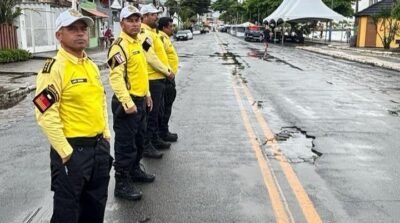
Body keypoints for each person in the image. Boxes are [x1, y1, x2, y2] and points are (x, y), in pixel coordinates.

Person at [33, 9, 112, 223]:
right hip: (72, 152)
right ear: (59, 35)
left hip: (98, 150)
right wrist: (66, 152)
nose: (80, 33)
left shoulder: (91, 65)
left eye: (83, 28)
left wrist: (105, 134)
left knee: (95, 208)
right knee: (67, 214)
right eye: (72, 29)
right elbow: (45, 113)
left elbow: (101, 101)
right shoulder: (53, 69)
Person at [107, 5, 155, 201]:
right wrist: (127, 101)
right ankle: (122, 183)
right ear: (122, 23)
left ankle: (135, 171)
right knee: (125, 145)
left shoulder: (139, 43)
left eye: (137, 20)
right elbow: (116, 77)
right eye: (130, 20)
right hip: (127, 103)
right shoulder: (118, 46)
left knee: (139, 141)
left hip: (140, 100)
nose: (135, 24)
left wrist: (148, 94)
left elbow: (141, 73)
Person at [139, 4, 175, 158]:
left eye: (156, 14)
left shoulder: (152, 33)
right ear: (145, 16)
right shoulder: (144, 34)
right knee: (152, 115)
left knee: (157, 114)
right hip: (153, 79)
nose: (156, 17)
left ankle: (154, 140)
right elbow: (151, 57)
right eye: (153, 15)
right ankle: (147, 146)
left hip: (158, 78)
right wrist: (167, 71)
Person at [158, 17, 179, 142]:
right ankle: (162, 132)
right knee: (164, 108)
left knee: (167, 107)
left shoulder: (164, 38)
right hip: (165, 77)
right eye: (171, 26)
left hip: (169, 77)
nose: (173, 29)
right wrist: (168, 72)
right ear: (164, 27)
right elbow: (158, 59)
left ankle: (164, 131)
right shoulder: (160, 38)